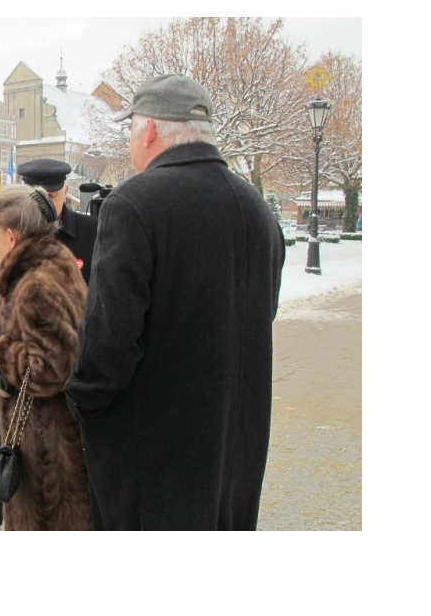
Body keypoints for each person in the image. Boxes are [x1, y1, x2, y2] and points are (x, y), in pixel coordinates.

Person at [64, 74, 286, 530]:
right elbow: (264, 313)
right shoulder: (257, 208)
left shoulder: (135, 202)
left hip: (155, 458)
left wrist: (83, 403)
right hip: (234, 450)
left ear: (149, 131)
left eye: (130, 130)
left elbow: (109, 341)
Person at [0, 184, 92, 531]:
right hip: (50, 435)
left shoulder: (38, 285)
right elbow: (19, 278)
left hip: (43, 444)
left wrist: (1, 352)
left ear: (11, 236)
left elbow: (54, 366)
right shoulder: (51, 258)